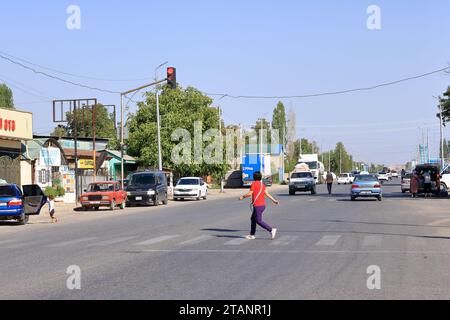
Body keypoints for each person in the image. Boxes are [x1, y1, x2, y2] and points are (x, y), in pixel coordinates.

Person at [239, 171, 279, 240]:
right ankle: (252, 235)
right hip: (262, 205)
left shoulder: (254, 184)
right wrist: (274, 200)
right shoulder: (262, 185)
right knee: (253, 219)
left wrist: (242, 196)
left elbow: (250, 193)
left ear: (254, 177)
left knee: (258, 220)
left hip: (257, 206)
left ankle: (271, 230)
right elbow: (267, 194)